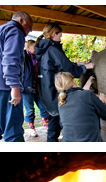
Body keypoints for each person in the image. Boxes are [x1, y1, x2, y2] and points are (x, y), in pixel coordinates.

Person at [35, 22, 87, 142]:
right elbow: (68, 69)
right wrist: (85, 67)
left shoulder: (43, 48)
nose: (60, 39)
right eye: (60, 36)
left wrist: (77, 64)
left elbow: (58, 66)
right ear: (54, 34)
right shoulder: (53, 49)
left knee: (53, 127)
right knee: (66, 126)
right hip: (55, 93)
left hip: (47, 94)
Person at [0, 9, 32, 143]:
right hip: (6, 87)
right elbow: (10, 59)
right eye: (29, 27)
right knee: (13, 130)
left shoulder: (2, 29)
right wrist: (14, 87)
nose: (29, 32)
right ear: (21, 21)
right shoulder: (15, 31)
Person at [55, 71, 106, 142]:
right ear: (74, 81)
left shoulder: (61, 101)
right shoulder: (87, 95)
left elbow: (62, 125)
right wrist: (102, 103)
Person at [22, 38, 49, 136]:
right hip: (27, 88)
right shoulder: (24, 56)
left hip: (38, 87)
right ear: (28, 47)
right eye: (34, 47)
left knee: (43, 107)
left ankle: (46, 126)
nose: (36, 49)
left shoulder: (37, 57)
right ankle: (32, 129)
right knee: (29, 110)